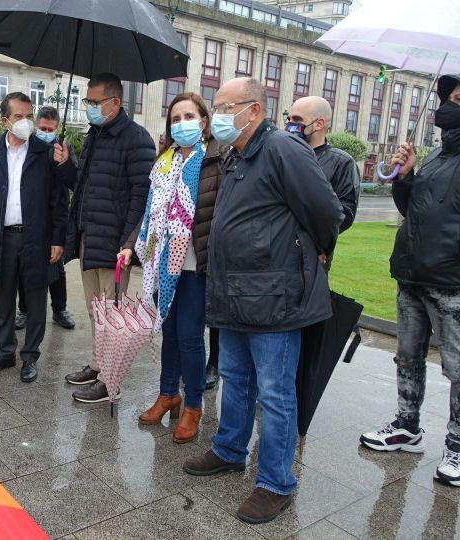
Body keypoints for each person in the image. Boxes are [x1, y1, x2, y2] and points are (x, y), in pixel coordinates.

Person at [182, 77, 342, 524]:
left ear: (253, 110)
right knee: (235, 376)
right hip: (234, 291)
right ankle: (230, 449)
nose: (217, 116)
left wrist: (309, 250)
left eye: (225, 107)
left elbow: (327, 212)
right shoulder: (237, 152)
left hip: (274, 294)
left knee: (274, 392)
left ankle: (275, 482)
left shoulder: (283, 149)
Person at [360, 74, 460, 488]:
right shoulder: (437, 156)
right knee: (408, 357)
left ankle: (456, 445)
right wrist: (406, 176)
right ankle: (407, 425)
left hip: (452, 283)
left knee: (458, 368)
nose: (450, 105)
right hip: (412, 276)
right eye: (453, 97)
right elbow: (412, 208)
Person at [119, 92, 226, 444]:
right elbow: (150, 214)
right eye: (175, 119)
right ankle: (169, 394)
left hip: (197, 264)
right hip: (162, 263)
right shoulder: (163, 163)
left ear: (205, 122)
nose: (182, 124)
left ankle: (193, 405)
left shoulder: (216, 160)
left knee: (190, 338)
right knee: (169, 332)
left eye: (189, 117)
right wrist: (132, 246)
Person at [59, 73, 155, 403]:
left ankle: (110, 381)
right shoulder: (94, 136)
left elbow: (141, 197)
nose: (89, 108)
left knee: (112, 315)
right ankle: (98, 365)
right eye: (87, 102)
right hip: (89, 236)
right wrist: (65, 165)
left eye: (94, 102)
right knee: (93, 310)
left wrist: (128, 244)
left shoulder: (137, 139)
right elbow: (83, 186)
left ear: (115, 103)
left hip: (115, 244)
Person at [0, 92, 69, 383]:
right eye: (18, 117)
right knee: (1, 294)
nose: (25, 122)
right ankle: (4, 351)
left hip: (36, 237)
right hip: (0, 236)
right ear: (4, 121)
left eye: (29, 116)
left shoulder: (45, 153)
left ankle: (30, 356)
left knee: (36, 298)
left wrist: (58, 240)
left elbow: (58, 202)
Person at [15, 106, 76, 331]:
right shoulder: (26, 146)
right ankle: (23, 310)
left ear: (57, 128)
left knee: (56, 268)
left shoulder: (63, 147)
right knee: (24, 267)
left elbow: (73, 180)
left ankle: (59, 309)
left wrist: (64, 163)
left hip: (55, 217)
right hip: (29, 216)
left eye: (51, 129)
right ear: (36, 126)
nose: (46, 132)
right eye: (43, 128)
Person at [286, 95, 360, 269]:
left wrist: (316, 242)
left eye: (297, 119)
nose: (290, 124)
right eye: (288, 119)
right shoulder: (283, 155)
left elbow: (344, 214)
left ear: (318, 124)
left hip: (311, 257)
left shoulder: (341, 162)